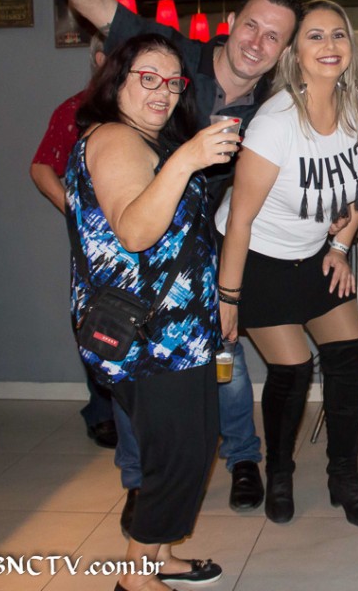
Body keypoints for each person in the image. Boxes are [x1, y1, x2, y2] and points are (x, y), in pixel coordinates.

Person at [11, 0, 296, 514]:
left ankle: (239, 462)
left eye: (274, 36)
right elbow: (93, 2)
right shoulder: (172, 59)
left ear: (282, 51)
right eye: (253, 25)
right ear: (231, 21)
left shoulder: (271, 109)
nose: (258, 42)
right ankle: (142, 492)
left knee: (219, 371)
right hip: (133, 270)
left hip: (197, 262)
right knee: (141, 391)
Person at [66, 33, 237, 590]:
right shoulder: (116, 138)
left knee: (190, 445)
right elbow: (136, 232)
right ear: (116, 82)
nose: (162, 91)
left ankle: (158, 556)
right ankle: (136, 579)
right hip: (148, 336)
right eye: (147, 78)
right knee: (179, 454)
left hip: (174, 330)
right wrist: (188, 158)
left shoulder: (147, 140)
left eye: (172, 81)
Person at [215, 0, 358, 528]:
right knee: (293, 368)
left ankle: (343, 476)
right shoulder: (275, 122)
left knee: (349, 350)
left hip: (310, 256)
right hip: (254, 258)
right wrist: (228, 298)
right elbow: (240, 220)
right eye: (315, 36)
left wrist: (340, 248)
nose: (329, 46)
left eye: (338, 35)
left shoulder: (355, 110)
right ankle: (279, 473)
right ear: (294, 54)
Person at [31, 35, 118, 450]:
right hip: (97, 244)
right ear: (100, 59)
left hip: (150, 236)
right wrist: (75, 211)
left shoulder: (156, 107)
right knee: (97, 325)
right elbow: (42, 167)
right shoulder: (76, 109)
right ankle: (102, 412)